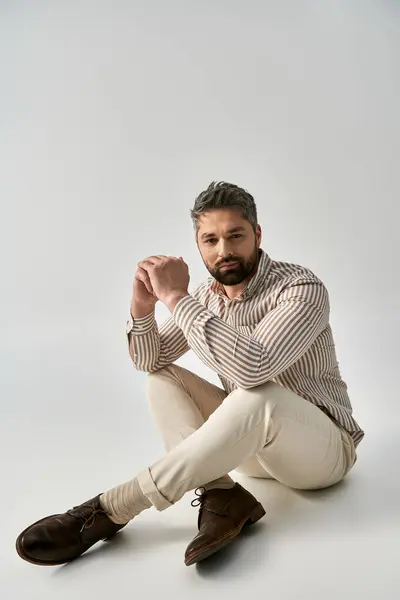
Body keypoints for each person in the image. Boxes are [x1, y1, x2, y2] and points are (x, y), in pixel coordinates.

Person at [15, 181, 364, 568]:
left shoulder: (300, 287)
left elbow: (254, 368)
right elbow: (151, 360)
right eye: (210, 240)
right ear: (198, 245)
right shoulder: (206, 297)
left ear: (257, 234)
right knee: (163, 377)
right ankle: (221, 494)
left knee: (259, 396)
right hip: (250, 450)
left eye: (235, 235)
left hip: (320, 454)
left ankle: (112, 508)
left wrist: (177, 298)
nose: (224, 251)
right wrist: (143, 306)